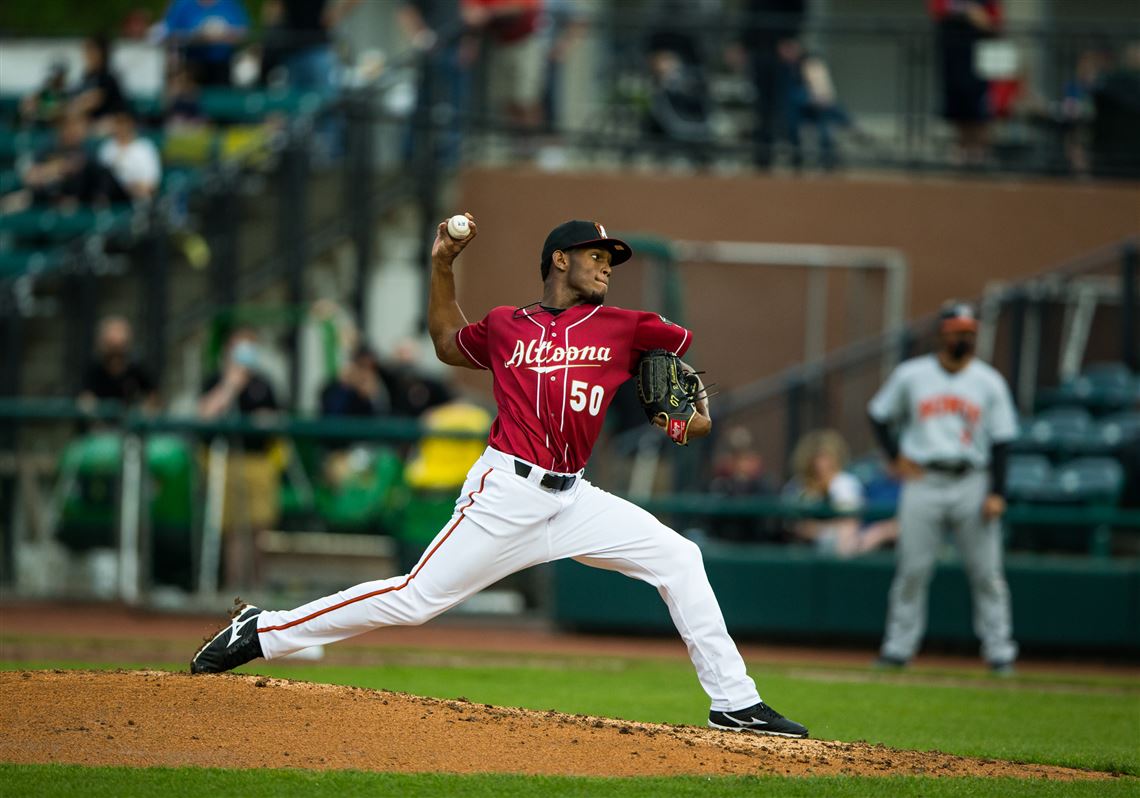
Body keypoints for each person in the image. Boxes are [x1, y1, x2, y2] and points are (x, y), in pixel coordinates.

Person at [190, 216, 810, 739]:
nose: (606, 266)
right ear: (559, 260)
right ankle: (263, 629)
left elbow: (686, 400)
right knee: (414, 600)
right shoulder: (507, 325)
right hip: (506, 494)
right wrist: (442, 265)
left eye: (611, 259)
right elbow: (445, 342)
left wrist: (693, 419)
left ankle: (734, 703)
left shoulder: (629, 326)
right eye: (596, 255)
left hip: (575, 499)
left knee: (680, 557)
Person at [867, 301, 1019, 674]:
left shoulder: (989, 380)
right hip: (925, 479)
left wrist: (998, 491)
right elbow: (878, 414)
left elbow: (1002, 440)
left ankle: (1000, 651)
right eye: (956, 331)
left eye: (968, 331)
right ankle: (898, 649)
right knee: (912, 570)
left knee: (988, 573)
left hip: (973, 479)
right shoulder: (912, 375)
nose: (963, 337)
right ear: (942, 333)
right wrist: (894, 455)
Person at [198, 328, 282, 589]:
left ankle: (258, 587)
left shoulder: (264, 383)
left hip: (258, 460)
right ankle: (232, 587)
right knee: (232, 530)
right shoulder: (216, 379)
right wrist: (230, 385)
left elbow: (277, 418)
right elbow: (205, 414)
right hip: (225, 460)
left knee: (260, 529)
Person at [784, 429, 895, 557]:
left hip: (838, 550)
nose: (821, 464)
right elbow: (793, 524)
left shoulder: (843, 483)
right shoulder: (797, 484)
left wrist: (818, 529)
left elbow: (849, 526)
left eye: (826, 457)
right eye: (817, 457)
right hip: (802, 550)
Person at [930, 0, 1003, 166]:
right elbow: (937, 9)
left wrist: (985, 21)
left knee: (980, 108)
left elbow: (995, 22)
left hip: (980, 57)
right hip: (954, 54)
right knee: (958, 105)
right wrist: (966, 11)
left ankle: (980, 151)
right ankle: (961, 149)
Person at [159, 0, 250, 86]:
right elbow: (169, 33)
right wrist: (194, 37)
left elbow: (244, 31)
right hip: (191, 66)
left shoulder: (230, 3)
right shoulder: (183, 4)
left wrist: (226, 35)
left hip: (224, 65)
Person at [78, 316, 159, 411]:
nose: (116, 357)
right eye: (112, 346)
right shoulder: (94, 370)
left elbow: (153, 396)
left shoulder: (136, 369)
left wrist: (146, 409)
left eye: (120, 347)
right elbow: (85, 399)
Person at [98, 110, 162, 203]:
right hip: (113, 192)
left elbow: (152, 182)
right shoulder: (107, 148)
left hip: (135, 192)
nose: (121, 128)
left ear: (131, 125)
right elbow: (102, 177)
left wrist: (135, 187)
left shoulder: (144, 147)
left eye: (124, 124)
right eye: (118, 124)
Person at [69, 35, 128, 131]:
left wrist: (72, 109)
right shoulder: (87, 76)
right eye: (87, 52)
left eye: (91, 51)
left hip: (111, 121)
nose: (87, 56)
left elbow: (93, 100)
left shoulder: (107, 76)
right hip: (92, 122)